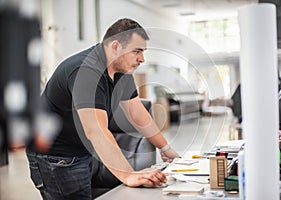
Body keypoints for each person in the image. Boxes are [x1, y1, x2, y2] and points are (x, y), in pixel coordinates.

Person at [26, 18, 180, 199]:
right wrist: (128, 174)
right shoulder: (86, 72)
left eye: (143, 52)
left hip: (81, 152)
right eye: (137, 51)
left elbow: (138, 115)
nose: (142, 59)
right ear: (116, 47)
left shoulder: (121, 71)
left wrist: (166, 148)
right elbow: (96, 131)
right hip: (57, 157)